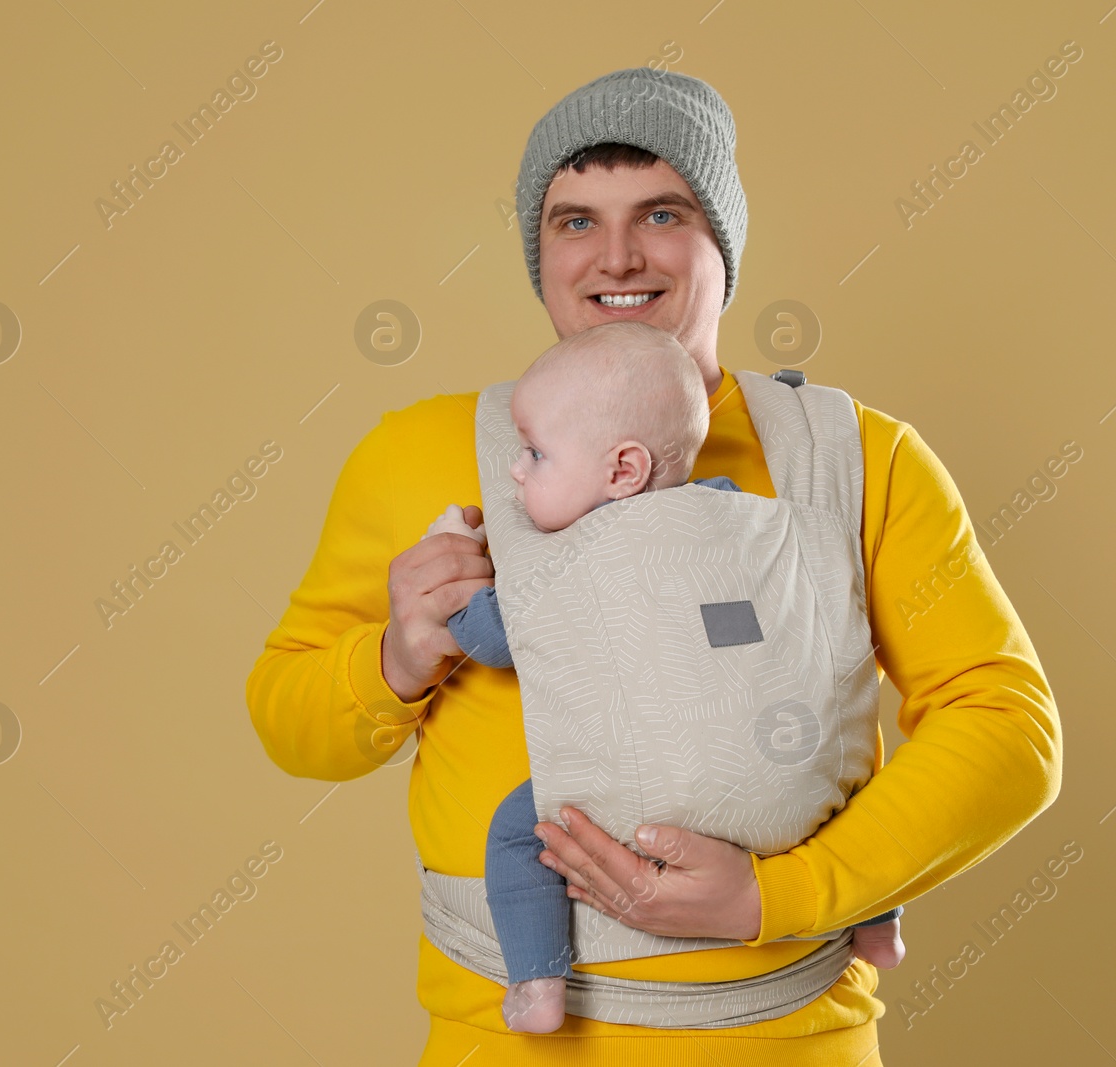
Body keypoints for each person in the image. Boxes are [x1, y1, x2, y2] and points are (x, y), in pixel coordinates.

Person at [246, 65, 1061, 1065]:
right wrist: (396, 658)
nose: (617, 255)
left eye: (662, 212)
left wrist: (783, 895)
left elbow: (1006, 723)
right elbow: (292, 721)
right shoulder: (422, 454)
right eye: (574, 220)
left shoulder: (856, 459)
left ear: (723, 241)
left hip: (785, 1039)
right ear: (537, 253)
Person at [420, 320, 905, 1033]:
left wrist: (454, 567)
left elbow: (492, 640)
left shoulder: (567, 561)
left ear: (622, 471)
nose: (516, 472)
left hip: (644, 792)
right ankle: (874, 923)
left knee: (518, 835)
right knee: (860, 791)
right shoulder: (739, 511)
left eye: (534, 453)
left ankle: (537, 978)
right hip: (785, 775)